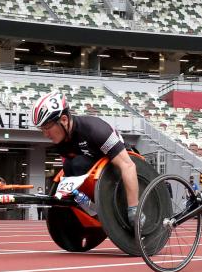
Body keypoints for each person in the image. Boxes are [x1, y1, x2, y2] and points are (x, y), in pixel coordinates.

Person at [32, 91, 141, 227]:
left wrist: (134, 209)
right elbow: (69, 171)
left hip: (120, 163)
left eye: (47, 127)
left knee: (78, 164)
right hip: (96, 171)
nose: (45, 134)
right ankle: (90, 211)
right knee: (69, 167)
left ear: (64, 120)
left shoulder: (95, 130)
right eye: (41, 129)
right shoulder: (60, 141)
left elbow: (128, 165)